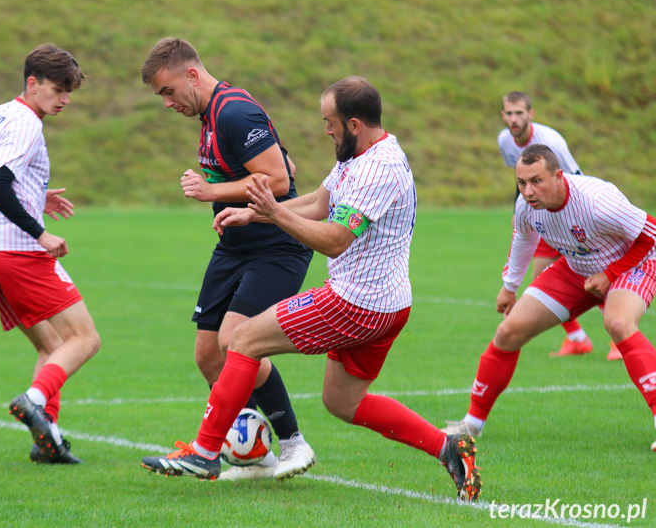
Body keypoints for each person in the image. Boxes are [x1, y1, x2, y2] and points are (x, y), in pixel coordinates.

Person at [141, 76, 482, 501]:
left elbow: (335, 237)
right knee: (344, 403)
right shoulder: (360, 154)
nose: (326, 130)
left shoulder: (377, 169)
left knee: (242, 340)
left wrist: (273, 215)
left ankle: (206, 451)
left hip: (355, 302)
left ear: (354, 123)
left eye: (330, 123)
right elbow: (321, 201)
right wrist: (256, 215)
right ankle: (447, 447)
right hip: (388, 304)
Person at [140, 37, 316, 480]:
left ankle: (293, 442)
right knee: (208, 355)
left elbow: (278, 179)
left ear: (192, 75)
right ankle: (254, 452)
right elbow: (288, 165)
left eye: (168, 91)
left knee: (238, 340)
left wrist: (211, 192)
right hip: (235, 247)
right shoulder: (211, 115)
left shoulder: (235, 111)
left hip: (276, 245)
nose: (166, 103)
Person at [443, 145, 656, 451]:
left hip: (634, 262)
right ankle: (472, 424)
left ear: (558, 176)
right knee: (508, 332)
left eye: (536, 181)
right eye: (521, 183)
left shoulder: (597, 201)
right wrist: (510, 286)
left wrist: (611, 274)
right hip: (576, 268)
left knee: (618, 323)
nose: (528, 191)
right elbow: (523, 239)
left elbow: (652, 235)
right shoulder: (526, 206)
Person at [0, 44, 101, 464]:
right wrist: (40, 233)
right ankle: (35, 400)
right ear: (32, 83)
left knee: (54, 343)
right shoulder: (27, 124)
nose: (65, 100)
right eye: (58, 90)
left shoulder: (1, 113)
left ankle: (49, 440)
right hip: (16, 250)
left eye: (68, 92)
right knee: (85, 339)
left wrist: (34, 196)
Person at [497, 92, 615, 359]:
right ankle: (578, 338)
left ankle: (615, 336)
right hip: (542, 213)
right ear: (503, 115)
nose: (514, 119)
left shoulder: (549, 142)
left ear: (531, 114)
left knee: (592, 272)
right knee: (546, 278)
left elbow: (570, 180)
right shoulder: (505, 140)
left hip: (572, 212)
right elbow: (522, 178)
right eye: (509, 113)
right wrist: (522, 209)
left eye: (519, 113)